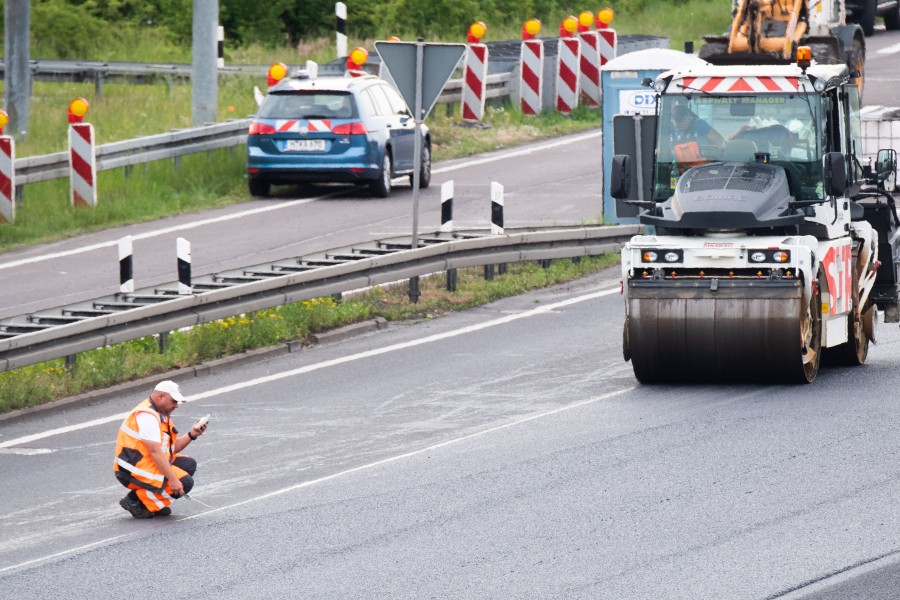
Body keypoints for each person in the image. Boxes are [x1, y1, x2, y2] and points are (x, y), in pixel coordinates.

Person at [114, 380, 208, 518]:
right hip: (132, 470)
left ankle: (147, 500)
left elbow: (169, 450)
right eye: (174, 401)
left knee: (189, 465)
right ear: (160, 397)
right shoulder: (148, 416)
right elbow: (155, 452)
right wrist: (174, 480)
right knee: (184, 482)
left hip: (143, 463)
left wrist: (191, 435)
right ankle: (136, 502)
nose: (176, 406)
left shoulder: (160, 413)